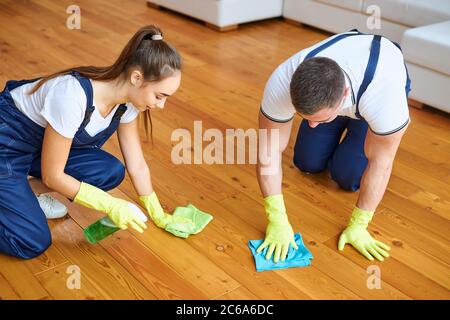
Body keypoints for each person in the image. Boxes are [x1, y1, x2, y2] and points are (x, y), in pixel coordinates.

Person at [0, 25, 193, 260]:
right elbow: (53, 176)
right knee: (31, 241)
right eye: (159, 96)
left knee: (109, 171)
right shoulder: (73, 95)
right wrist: (110, 204)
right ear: (136, 78)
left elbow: (137, 165)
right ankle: (13, 198)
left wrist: (158, 212)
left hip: (41, 147)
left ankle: (27, 195)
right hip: (8, 145)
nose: (161, 105)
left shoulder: (126, 105)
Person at [256, 30, 411, 263]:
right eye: (304, 117)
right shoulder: (282, 80)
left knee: (347, 177)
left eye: (318, 119)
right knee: (306, 163)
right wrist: (276, 218)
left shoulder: (385, 99)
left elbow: (382, 163)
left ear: (344, 95)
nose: (311, 125)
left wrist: (359, 224)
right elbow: (268, 152)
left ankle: (346, 126)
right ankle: (327, 121)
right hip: (337, 97)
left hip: (369, 98)